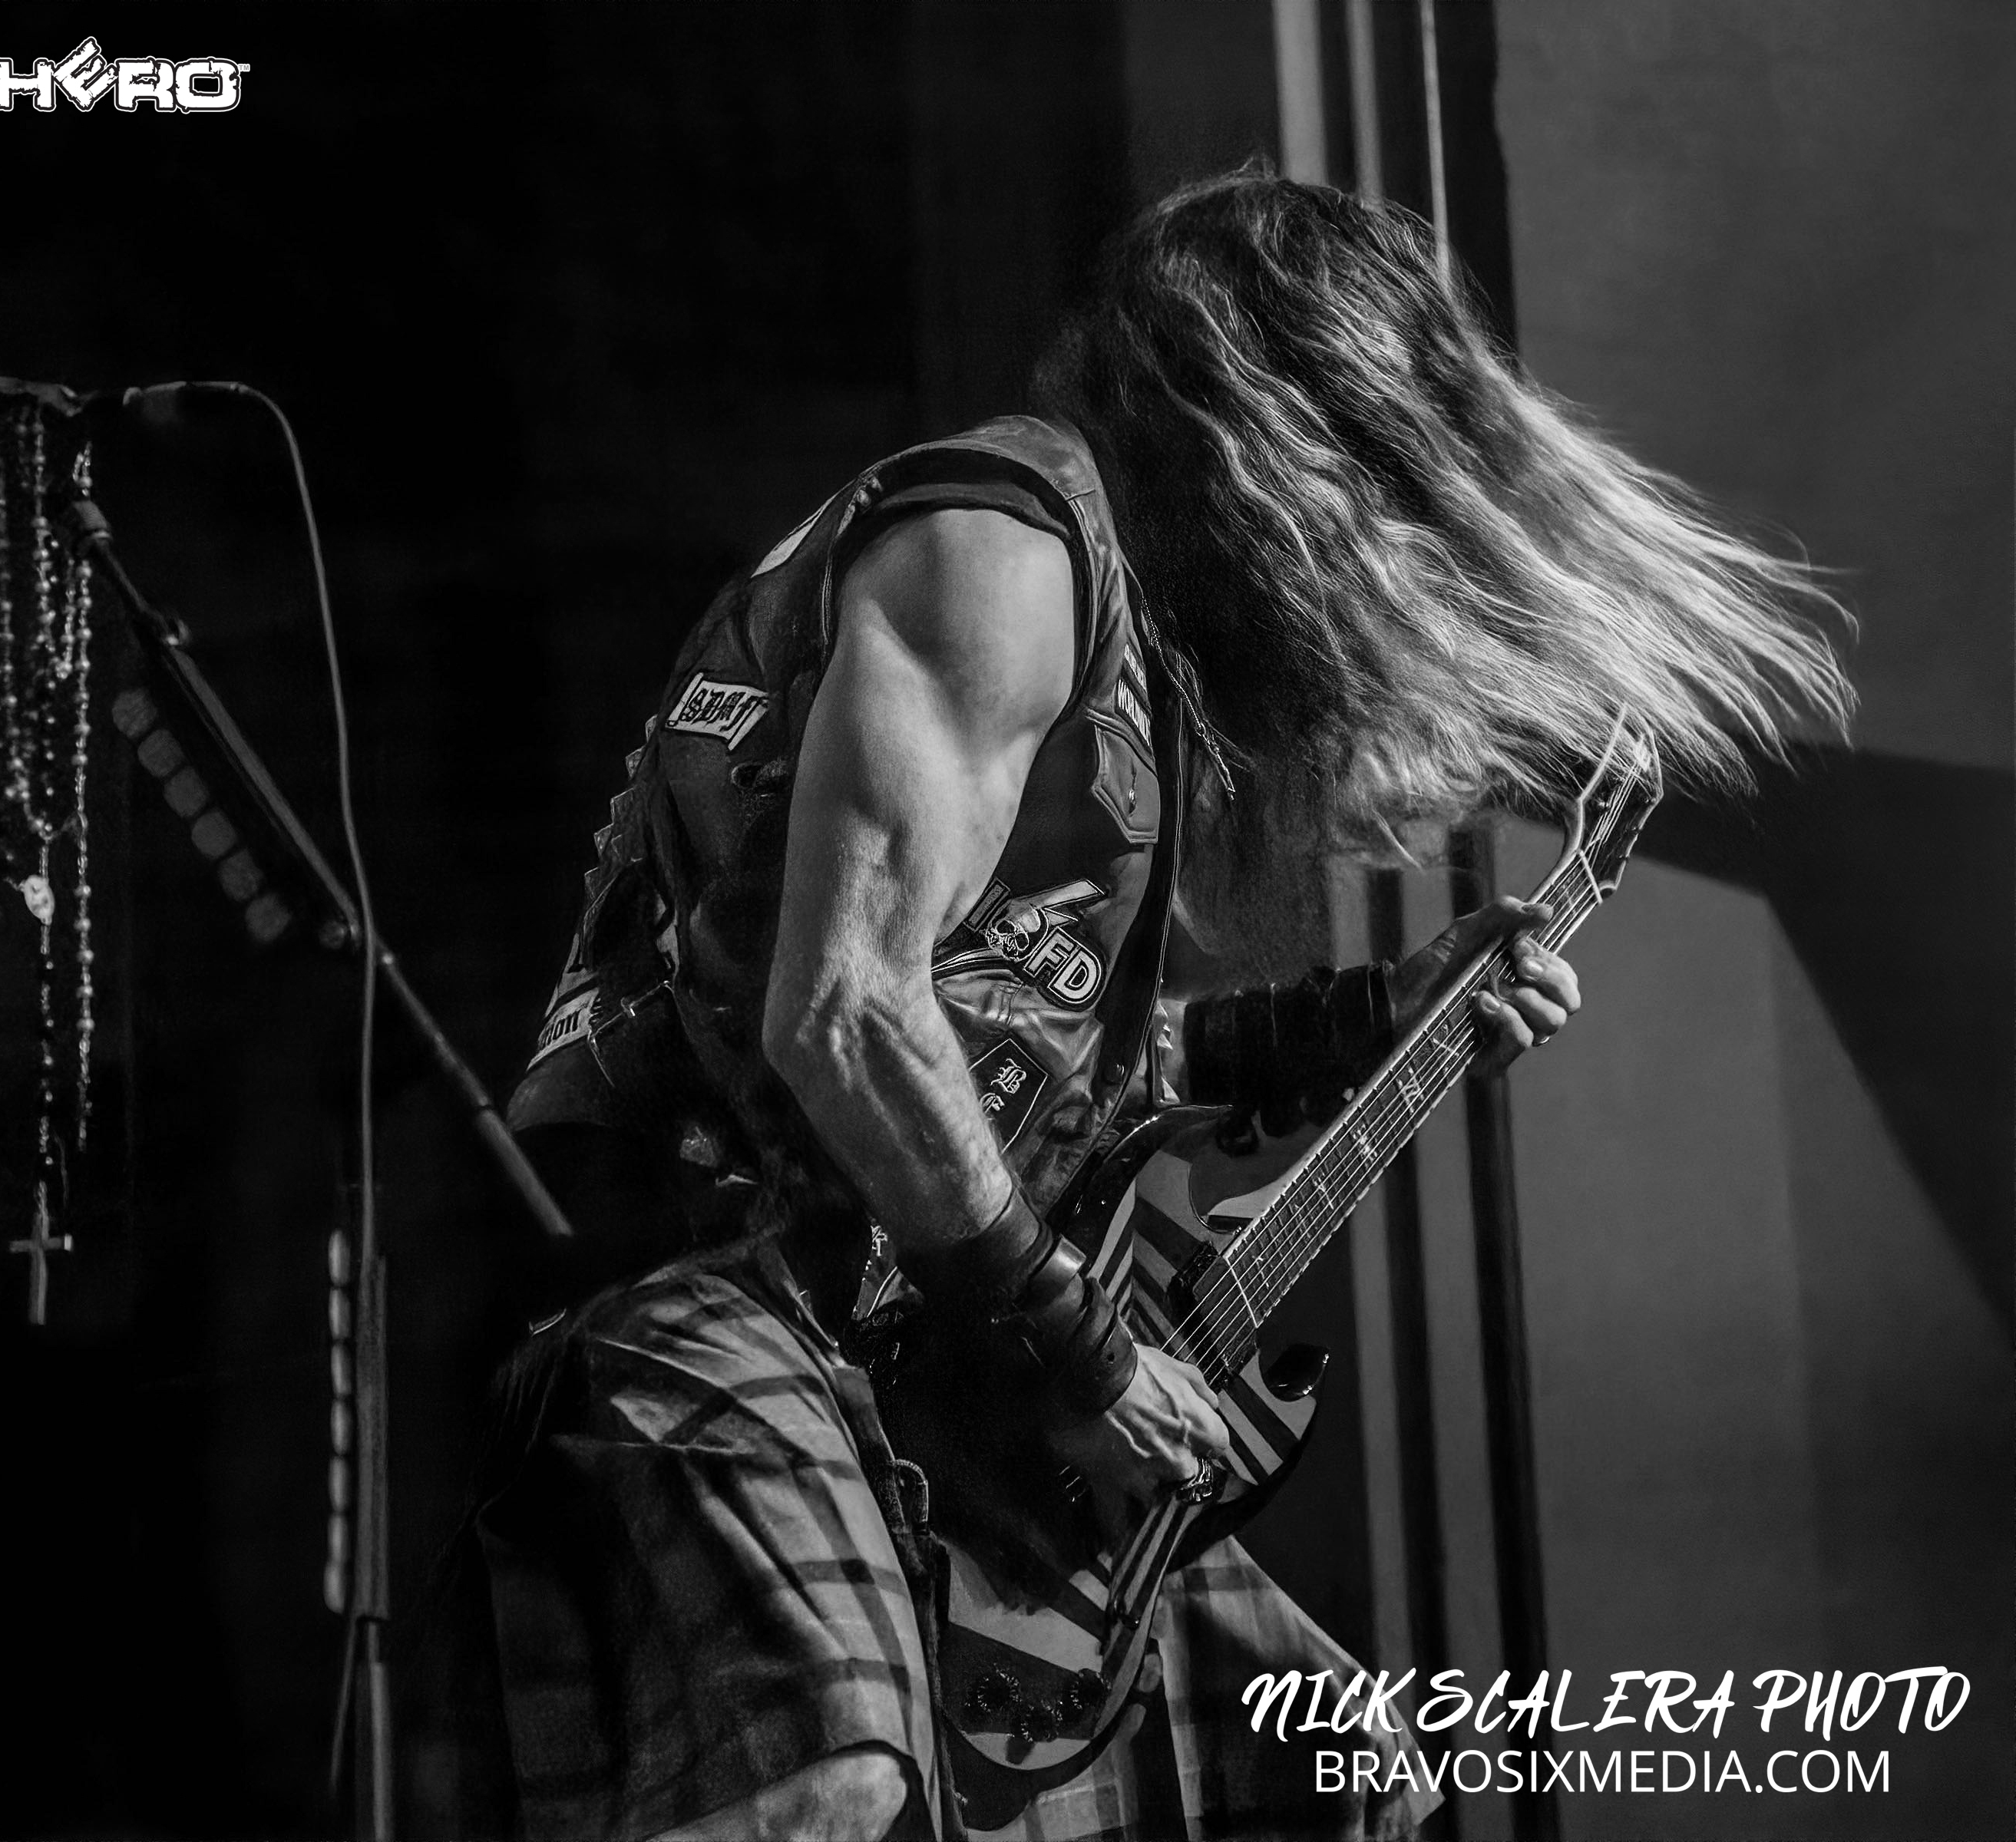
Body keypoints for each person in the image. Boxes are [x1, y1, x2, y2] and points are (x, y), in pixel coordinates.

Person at [463, 170, 1852, 1842]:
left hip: (925, 1369)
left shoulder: (1122, 646)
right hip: (719, 1311)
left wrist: (1363, 1020)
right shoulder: (999, 556)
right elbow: (846, 1015)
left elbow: (1020, 1067)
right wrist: (1086, 1355)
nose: (1391, 567)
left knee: (1345, 1778)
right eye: (1381, 498)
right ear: (1289, 440)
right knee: (833, 1781)